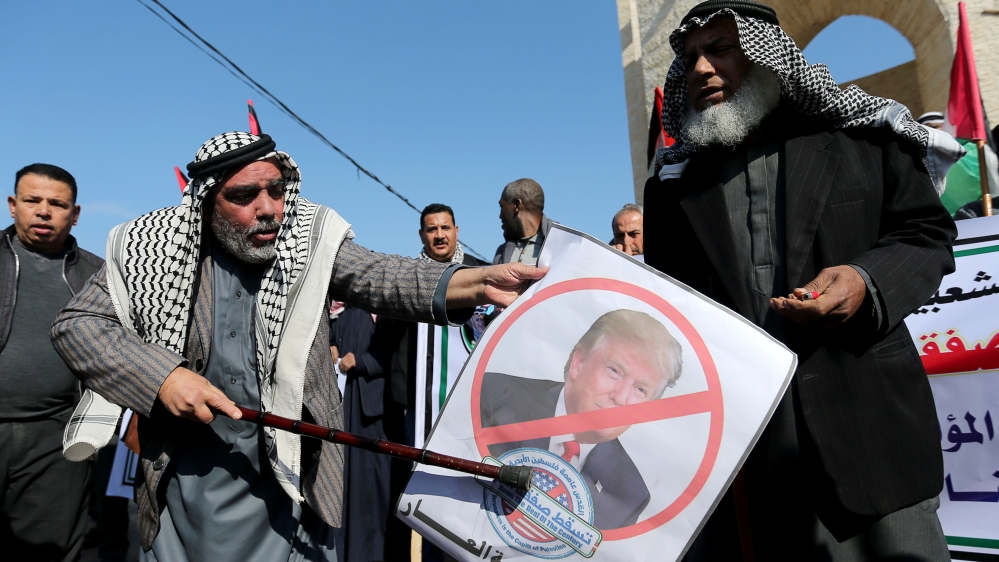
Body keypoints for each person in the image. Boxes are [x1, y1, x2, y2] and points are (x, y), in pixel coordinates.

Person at [50, 132, 545, 562]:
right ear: (205, 202)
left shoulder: (305, 240)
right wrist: (164, 377)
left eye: (276, 190)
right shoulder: (154, 253)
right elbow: (78, 325)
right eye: (245, 195)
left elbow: (382, 275)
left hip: (293, 482)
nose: (268, 208)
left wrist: (476, 281)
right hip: (187, 488)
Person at [643, 1, 963, 559]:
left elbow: (926, 235)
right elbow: (665, 309)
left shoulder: (864, 140)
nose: (700, 68)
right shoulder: (673, 190)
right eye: (690, 57)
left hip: (868, 430)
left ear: (768, 58)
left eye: (720, 49)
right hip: (742, 455)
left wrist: (865, 282)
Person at [479, 309, 682, 530]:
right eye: (615, 371)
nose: (621, 398)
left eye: (640, 389)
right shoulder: (491, 396)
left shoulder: (630, 493)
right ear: (578, 363)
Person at [1, 164, 103, 561]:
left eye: (57, 204)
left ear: (74, 214)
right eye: (32, 200)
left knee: (48, 549)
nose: (44, 211)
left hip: (56, 438)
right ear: (13, 205)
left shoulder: (100, 276)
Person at [493, 178, 554, 266]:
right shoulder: (502, 252)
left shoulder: (562, 247)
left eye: (502, 206)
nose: (500, 215)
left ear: (516, 205)